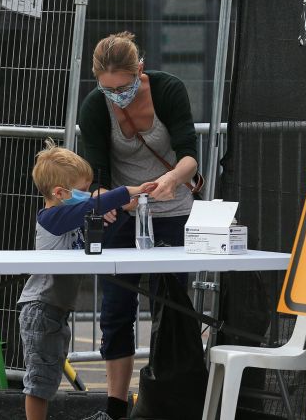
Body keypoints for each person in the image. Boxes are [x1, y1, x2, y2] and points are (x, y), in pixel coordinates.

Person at [78, 31, 200, 420]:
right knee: (116, 308)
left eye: (123, 87)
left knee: (171, 307)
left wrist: (172, 180)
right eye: (108, 88)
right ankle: (115, 406)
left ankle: (168, 402)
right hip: (125, 212)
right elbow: (95, 175)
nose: (117, 95)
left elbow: (189, 155)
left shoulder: (168, 89)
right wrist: (108, 200)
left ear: (140, 71)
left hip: (172, 211)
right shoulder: (94, 107)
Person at [17, 141, 156, 420]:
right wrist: (129, 191)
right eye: (81, 190)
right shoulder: (51, 218)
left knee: (48, 377)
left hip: (55, 309)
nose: (87, 195)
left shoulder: (68, 217)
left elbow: (95, 220)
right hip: (41, 307)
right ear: (59, 193)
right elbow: (93, 205)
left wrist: (120, 208)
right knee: (39, 381)